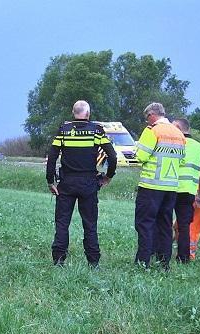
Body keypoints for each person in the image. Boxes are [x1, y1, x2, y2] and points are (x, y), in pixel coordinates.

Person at [46, 100, 117, 267]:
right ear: (88, 114)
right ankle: (93, 263)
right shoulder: (96, 131)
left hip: (67, 183)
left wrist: (50, 181)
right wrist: (108, 176)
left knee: (62, 223)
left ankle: (58, 260)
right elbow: (113, 157)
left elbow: (52, 157)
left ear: (73, 112)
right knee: (90, 225)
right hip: (89, 184)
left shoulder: (63, 131)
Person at [133, 102, 185, 270]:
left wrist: (136, 149)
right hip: (170, 187)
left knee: (145, 223)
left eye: (146, 118)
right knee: (165, 224)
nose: (146, 121)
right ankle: (164, 263)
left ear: (151, 115)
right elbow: (181, 159)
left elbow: (141, 156)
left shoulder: (152, 131)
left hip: (151, 185)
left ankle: (143, 261)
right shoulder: (179, 134)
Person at [170, 118, 200, 263]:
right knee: (184, 226)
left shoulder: (175, 142)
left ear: (178, 127)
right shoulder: (199, 147)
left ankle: (161, 254)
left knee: (164, 222)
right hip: (188, 192)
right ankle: (183, 258)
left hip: (170, 187)